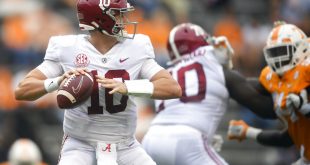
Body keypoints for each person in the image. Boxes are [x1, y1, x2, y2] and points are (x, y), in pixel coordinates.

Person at [14, 0, 182, 165]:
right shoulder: (67, 48)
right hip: (80, 144)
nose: (124, 19)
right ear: (99, 20)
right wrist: (58, 81)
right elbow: (22, 90)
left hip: (125, 144)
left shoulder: (136, 47)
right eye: (117, 14)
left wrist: (128, 87)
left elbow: (172, 88)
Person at [141, 23, 277, 165]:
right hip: (187, 140)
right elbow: (266, 109)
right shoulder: (212, 66)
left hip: (151, 140)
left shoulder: (168, 73)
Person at [227, 21, 310, 165]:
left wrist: (306, 108)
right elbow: (287, 139)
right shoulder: (275, 79)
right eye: (274, 52)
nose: (279, 59)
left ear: (301, 48)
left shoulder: (306, 70)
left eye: (284, 51)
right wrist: (248, 132)